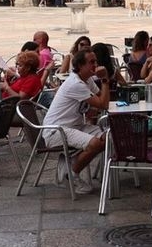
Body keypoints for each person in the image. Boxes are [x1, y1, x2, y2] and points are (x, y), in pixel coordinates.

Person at [42, 48, 111, 194]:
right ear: (80, 66)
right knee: (96, 143)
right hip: (55, 131)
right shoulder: (75, 83)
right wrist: (105, 80)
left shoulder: (87, 80)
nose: (95, 65)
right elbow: (103, 104)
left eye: (96, 61)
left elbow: (102, 99)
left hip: (74, 127)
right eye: (91, 62)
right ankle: (71, 174)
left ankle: (68, 163)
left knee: (108, 137)